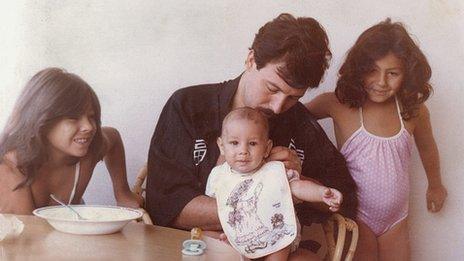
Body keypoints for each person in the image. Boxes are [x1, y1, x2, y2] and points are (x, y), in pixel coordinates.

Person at [147, 13, 357, 258]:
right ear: (251, 60)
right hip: (192, 249)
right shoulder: (188, 106)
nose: (278, 107)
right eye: (272, 88)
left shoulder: (298, 122)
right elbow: (165, 204)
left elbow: (343, 198)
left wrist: (298, 178)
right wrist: (268, 201)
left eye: (293, 97)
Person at [305, 19, 447, 260]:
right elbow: (293, 118)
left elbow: (428, 148)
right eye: (372, 70)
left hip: (397, 220)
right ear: (358, 69)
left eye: (392, 73)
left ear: (408, 74)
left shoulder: (413, 110)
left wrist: (435, 185)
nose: (381, 82)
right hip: (359, 217)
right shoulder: (339, 104)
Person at [205, 107, 343, 260]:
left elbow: (297, 187)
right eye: (234, 143)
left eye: (252, 143)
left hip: (275, 235)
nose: (243, 150)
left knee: (279, 247)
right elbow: (218, 206)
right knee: (208, 240)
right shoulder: (218, 176)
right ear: (222, 146)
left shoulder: (274, 171)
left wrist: (321, 193)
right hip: (239, 235)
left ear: (266, 148)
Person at [0, 68, 141, 214]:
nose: (88, 127)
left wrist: (122, 193)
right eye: (73, 118)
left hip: (64, 231)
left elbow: (114, 137)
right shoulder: (11, 168)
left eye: (91, 116)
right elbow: (27, 234)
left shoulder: (89, 152)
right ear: (42, 121)